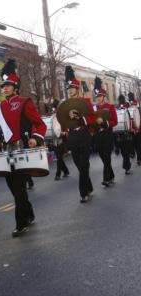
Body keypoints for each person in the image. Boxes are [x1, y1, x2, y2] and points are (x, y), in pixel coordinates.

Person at [0, 59, 46, 237]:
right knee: (15, 190)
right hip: (5, 153)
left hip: (22, 151)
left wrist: (35, 139)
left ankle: (21, 223)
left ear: (15, 86)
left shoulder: (25, 102)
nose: (5, 88)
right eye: (4, 85)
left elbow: (40, 125)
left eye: (8, 85)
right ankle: (29, 213)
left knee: (19, 188)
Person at [64, 66, 96, 203]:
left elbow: (93, 118)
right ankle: (88, 186)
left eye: (72, 88)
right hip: (72, 137)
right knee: (80, 164)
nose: (70, 90)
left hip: (84, 135)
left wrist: (82, 119)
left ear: (77, 89)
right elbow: (63, 121)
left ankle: (83, 193)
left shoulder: (86, 101)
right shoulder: (65, 104)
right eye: (68, 88)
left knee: (83, 164)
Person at [94, 77, 118, 186]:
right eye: (97, 96)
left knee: (107, 157)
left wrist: (105, 122)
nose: (98, 98)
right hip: (99, 136)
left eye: (99, 96)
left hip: (108, 135)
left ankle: (106, 179)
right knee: (103, 157)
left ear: (104, 96)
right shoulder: (95, 109)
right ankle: (111, 175)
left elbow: (115, 121)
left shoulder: (110, 107)